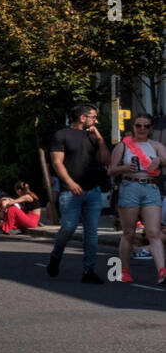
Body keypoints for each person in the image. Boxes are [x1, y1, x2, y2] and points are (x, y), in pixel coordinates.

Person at [47, 103, 110, 284]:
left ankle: (88, 270)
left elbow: (106, 160)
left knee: (91, 232)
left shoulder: (93, 137)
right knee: (68, 228)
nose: (96, 120)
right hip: (70, 192)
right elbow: (57, 163)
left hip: (93, 191)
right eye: (93, 117)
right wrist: (70, 183)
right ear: (83, 117)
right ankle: (56, 255)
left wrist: (100, 141)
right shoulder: (61, 135)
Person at [108, 114, 165, 285]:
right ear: (133, 127)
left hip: (150, 188)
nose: (142, 129)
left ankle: (162, 271)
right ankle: (124, 271)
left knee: (154, 232)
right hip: (129, 187)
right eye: (138, 125)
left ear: (151, 129)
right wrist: (124, 168)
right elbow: (110, 170)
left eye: (146, 126)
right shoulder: (123, 146)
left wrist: (159, 160)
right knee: (129, 233)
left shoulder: (155, 146)